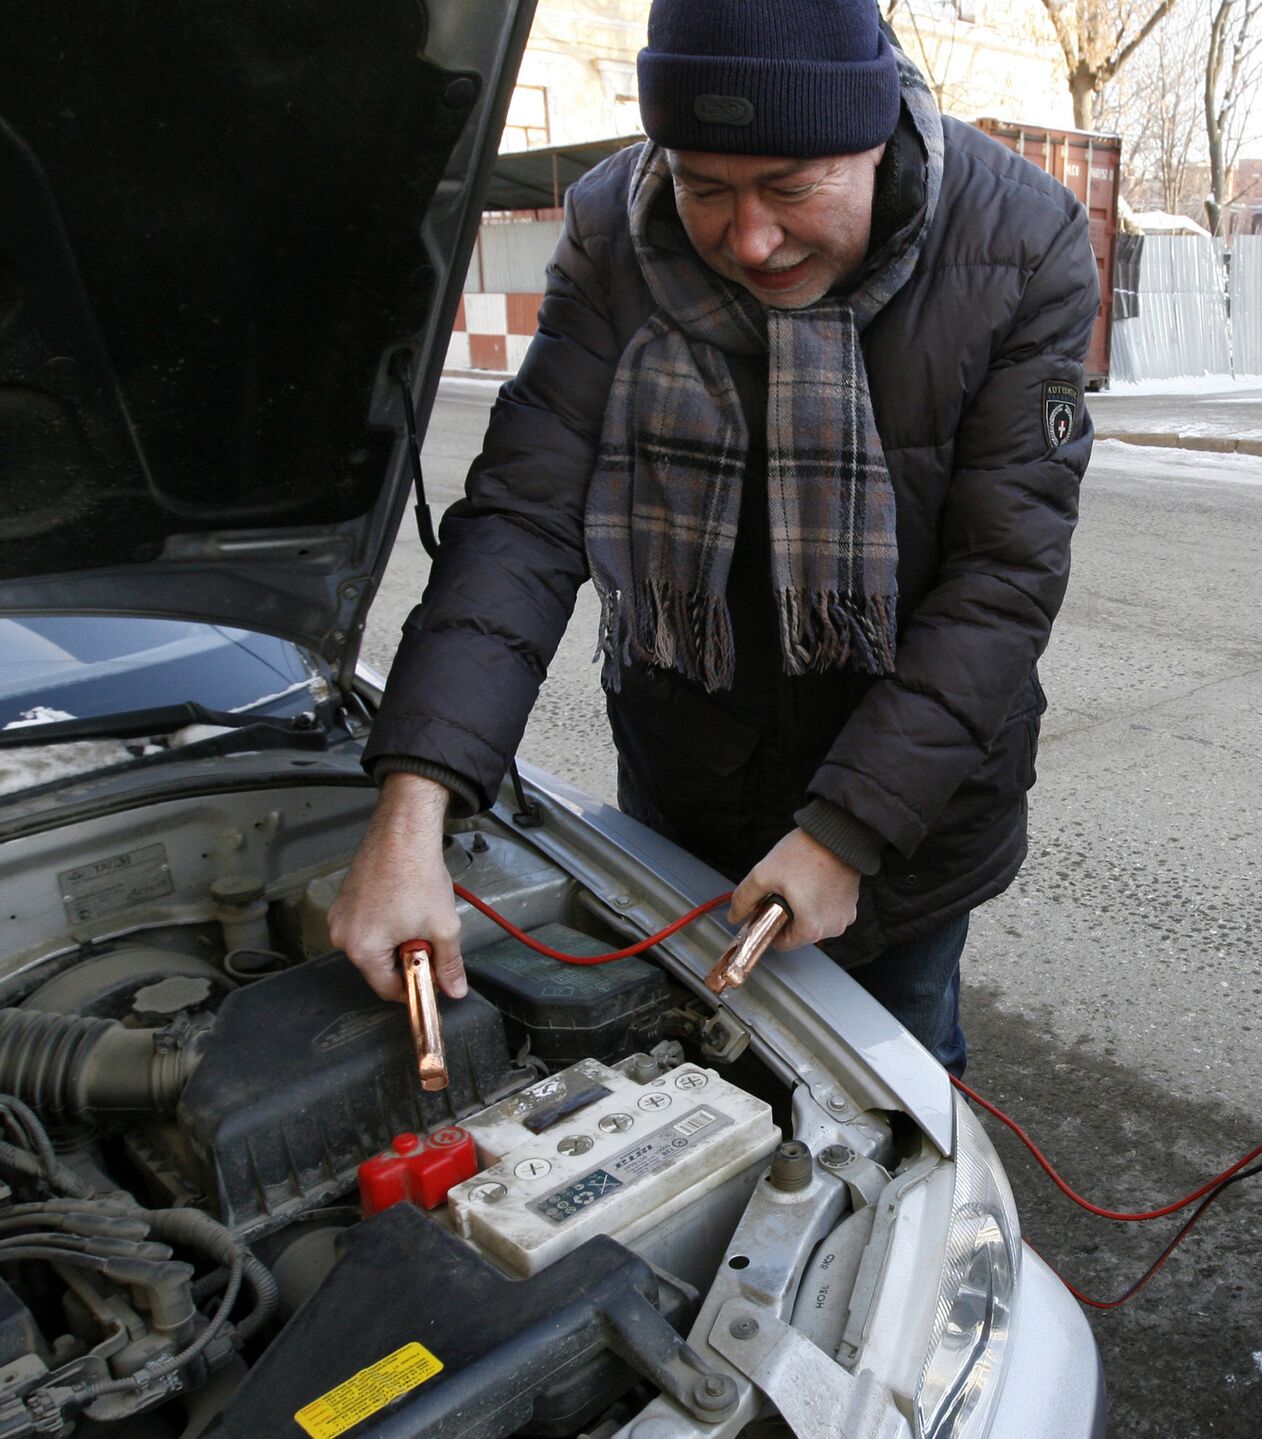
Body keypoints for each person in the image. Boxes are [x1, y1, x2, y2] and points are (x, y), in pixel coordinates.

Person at [328, 0, 1098, 1076]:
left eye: (790, 186)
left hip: (907, 822)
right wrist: (414, 811)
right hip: (686, 784)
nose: (751, 239)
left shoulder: (1026, 241)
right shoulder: (614, 225)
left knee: (899, 1075)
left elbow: (1002, 578)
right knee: (692, 1080)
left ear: (875, 137)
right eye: (703, 186)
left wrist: (847, 834)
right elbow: (525, 514)